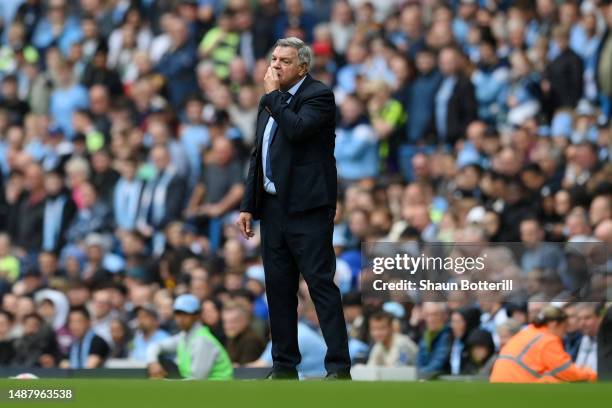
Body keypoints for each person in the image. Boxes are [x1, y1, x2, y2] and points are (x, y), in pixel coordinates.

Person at [236, 37, 351, 380]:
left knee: (319, 285)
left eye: (284, 60)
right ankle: (284, 365)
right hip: (272, 209)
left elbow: (298, 130)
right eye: (273, 59)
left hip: (307, 210)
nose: (275, 65)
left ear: (302, 66)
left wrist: (274, 97)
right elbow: (260, 152)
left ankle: (339, 368)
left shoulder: (318, 95)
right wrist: (248, 204)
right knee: (278, 288)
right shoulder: (269, 101)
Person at [490, 305, 597, 383]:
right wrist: (594, 375)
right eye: (564, 327)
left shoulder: (529, 332)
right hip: (517, 388)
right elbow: (566, 371)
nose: (565, 333)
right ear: (555, 324)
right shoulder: (548, 340)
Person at [146, 294, 233, 380]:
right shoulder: (184, 336)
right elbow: (155, 346)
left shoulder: (202, 340)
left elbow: (196, 380)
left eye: (185, 314)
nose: (180, 318)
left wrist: (166, 383)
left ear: (196, 316)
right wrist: (153, 362)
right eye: (177, 313)